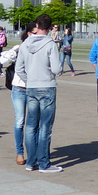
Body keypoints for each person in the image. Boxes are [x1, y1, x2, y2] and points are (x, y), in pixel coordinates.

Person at [17, 15, 62, 172]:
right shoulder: (51, 44)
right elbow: (56, 69)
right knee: (45, 126)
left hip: (31, 87)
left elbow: (19, 69)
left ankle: (31, 162)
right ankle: (43, 163)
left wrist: (29, 79)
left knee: (30, 125)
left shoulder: (25, 44)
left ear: (36, 25)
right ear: (50, 27)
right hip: (46, 86)